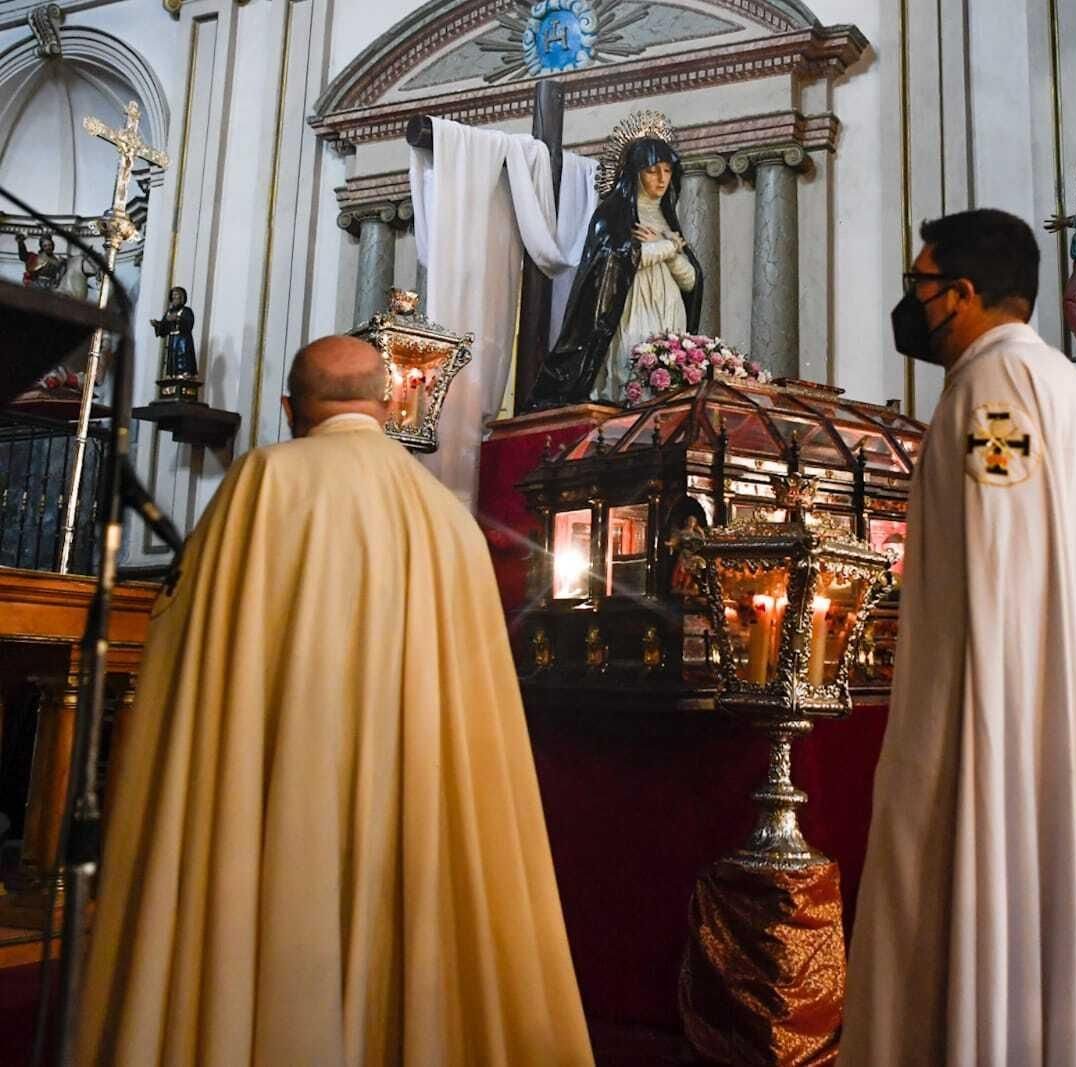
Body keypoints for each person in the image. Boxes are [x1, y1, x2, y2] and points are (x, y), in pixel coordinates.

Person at [76, 336, 593, 1065]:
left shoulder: (264, 481)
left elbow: (188, 645)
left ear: (289, 409)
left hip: (281, 788)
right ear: (389, 405)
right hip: (416, 802)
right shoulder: (450, 522)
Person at [840, 209, 1076, 1065]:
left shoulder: (993, 393)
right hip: (1073, 732)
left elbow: (998, 578)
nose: (910, 306)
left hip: (1011, 738)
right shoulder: (1067, 393)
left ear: (962, 296)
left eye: (919, 287)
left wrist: (979, 756)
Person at [531, 135, 703, 405]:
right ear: (634, 174)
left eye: (667, 170)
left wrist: (668, 254)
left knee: (664, 378)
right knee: (629, 370)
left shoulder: (668, 220)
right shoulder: (611, 216)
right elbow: (611, 264)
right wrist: (667, 248)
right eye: (651, 171)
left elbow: (691, 282)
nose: (661, 178)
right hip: (629, 307)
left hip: (668, 309)